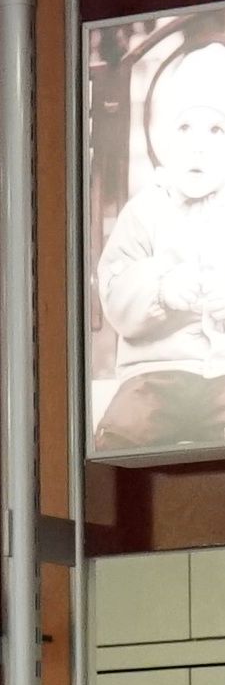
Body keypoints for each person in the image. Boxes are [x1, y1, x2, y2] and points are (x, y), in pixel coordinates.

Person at [95, 40, 225, 457]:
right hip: (157, 372)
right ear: (161, 137)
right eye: (184, 128)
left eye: (216, 130)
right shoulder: (145, 210)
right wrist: (162, 289)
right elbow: (115, 290)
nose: (198, 144)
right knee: (121, 436)